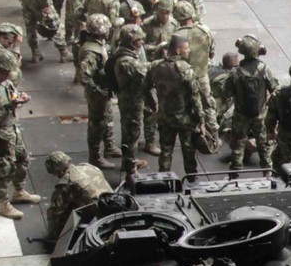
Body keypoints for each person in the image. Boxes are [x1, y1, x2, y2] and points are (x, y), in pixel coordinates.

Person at [151, 34, 216, 175]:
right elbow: (195, 97)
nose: (189, 51)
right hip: (184, 119)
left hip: (165, 117)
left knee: (166, 150)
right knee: (188, 150)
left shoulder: (156, 66)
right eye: (186, 48)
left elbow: (145, 88)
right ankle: (192, 178)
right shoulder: (186, 70)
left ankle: (163, 178)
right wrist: (202, 121)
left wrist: (154, 105)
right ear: (178, 51)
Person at [0, 58, 36, 219]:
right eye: (4, 73)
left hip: (12, 130)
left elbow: (12, 94)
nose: (8, 76)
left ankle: (19, 191)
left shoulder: (4, 82)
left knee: (23, 159)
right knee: (3, 169)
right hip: (0, 135)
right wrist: (10, 105)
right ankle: (3, 204)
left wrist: (20, 98)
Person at [219, 38, 278, 167]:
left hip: (240, 115)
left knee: (238, 145)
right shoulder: (264, 69)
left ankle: (234, 174)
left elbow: (225, 93)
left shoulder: (235, 72)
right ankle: (268, 171)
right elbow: (274, 87)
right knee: (264, 145)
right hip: (260, 114)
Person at [76, 16, 119, 165]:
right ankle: (95, 157)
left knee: (107, 117)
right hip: (97, 93)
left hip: (103, 89)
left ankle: (110, 146)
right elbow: (84, 76)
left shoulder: (98, 45)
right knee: (97, 124)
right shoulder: (91, 52)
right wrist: (97, 90)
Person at [110, 29, 151, 170]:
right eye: (138, 40)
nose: (141, 43)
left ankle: (129, 160)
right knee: (132, 133)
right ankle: (130, 167)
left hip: (128, 98)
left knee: (129, 131)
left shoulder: (123, 54)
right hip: (131, 101)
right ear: (130, 41)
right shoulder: (127, 61)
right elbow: (144, 71)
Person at [42, 152, 113, 233]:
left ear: (59, 171)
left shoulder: (65, 184)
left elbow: (56, 212)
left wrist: (53, 232)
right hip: (112, 203)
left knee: (58, 210)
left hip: (97, 217)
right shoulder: (87, 166)